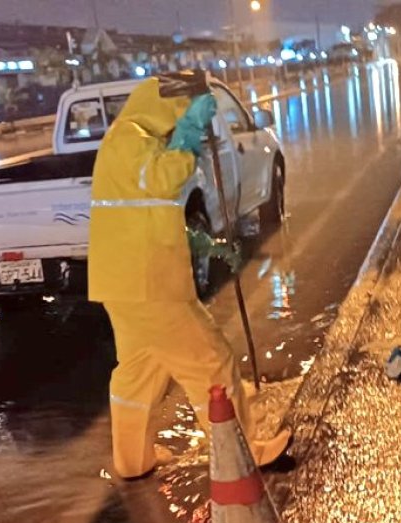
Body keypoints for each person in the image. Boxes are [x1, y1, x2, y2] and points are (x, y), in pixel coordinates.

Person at [88, 77, 290, 479]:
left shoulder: (130, 141)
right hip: (151, 286)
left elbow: (144, 210)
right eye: (184, 109)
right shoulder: (131, 139)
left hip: (126, 284)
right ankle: (245, 452)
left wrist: (200, 242)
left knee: (138, 375)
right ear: (168, 107)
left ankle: (132, 460)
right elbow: (165, 179)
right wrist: (189, 132)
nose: (189, 119)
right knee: (212, 363)